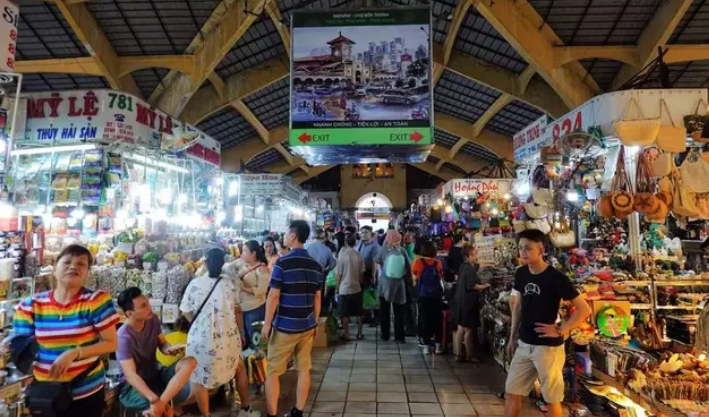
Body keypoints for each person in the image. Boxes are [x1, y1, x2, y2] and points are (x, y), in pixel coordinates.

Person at [14, 245, 119, 417]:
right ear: (55, 269)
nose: (74, 266)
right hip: (47, 393)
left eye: (81, 264)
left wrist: (74, 353)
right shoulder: (30, 305)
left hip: (86, 392)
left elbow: (111, 343)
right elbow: (22, 348)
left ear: (87, 272)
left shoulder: (95, 301)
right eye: (68, 262)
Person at [505, 229, 591, 417]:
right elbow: (518, 307)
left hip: (548, 349)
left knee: (551, 399)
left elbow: (584, 309)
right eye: (520, 248)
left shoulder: (556, 278)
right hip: (524, 344)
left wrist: (562, 329)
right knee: (511, 391)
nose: (523, 253)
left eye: (528, 248)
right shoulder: (521, 273)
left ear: (541, 249)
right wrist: (512, 338)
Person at [180, 248, 258, 417]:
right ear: (223, 263)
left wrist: (199, 322)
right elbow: (237, 310)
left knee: (199, 378)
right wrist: (242, 333)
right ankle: (246, 409)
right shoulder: (230, 284)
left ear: (205, 263)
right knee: (239, 368)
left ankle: (206, 414)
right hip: (228, 335)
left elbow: (185, 311)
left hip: (201, 339)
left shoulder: (195, 284)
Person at [263, 220, 323, 417]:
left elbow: (273, 295)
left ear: (294, 236)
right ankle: (298, 411)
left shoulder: (283, 263)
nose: (284, 236)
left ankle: (272, 414)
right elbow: (317, 297)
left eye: (287, 233)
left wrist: (267, 324)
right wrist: (314, 322)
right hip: (306, 326)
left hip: (285, 328)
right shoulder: (315, 265)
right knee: (303, 369)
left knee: (273, 371)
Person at [116, 287, 196, 417]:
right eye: (143, 306)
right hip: (133, 387)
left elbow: (162, 344)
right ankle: (163, 407)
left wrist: (170, 349)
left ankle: (162, 403)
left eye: (147, 302)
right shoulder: (123, 337)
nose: (149, 307)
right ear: (129, 313)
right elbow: (131, 376)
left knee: (190, 362)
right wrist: (153, 399)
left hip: (155, 374)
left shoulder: (152, 319)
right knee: (163, 412)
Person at [452, 244, 490, 362]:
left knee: (461, 328)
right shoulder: (469, 268)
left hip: (460, 301)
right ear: (467, 257)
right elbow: (472, 285)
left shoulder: (464, 266)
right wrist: (484, 286)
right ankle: (469, 355)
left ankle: (458, 354)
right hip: (467, 303)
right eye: (473, 255)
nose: (476, 257)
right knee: (468, 330)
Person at [375, 230, 412, 343]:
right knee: (399, 311)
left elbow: (377, 261)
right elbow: (409, 267)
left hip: (385, 283)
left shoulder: (383, 249)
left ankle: (385, 335)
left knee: (384, 311)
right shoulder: (403, 250)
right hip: (399, 285)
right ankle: (399, 337)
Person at [413, 240, 445, 354]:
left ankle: (426, 346)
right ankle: (438, 346)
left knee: (425, 320)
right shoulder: (438, 263)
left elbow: (414, 278)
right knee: (437, 320)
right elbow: (441, 278)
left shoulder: (418, 262)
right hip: (436, 296)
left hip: (423, 296)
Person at [238, 240, 271, 348]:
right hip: (243, 309)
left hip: (256, 309)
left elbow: (262, 290)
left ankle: (260, 363)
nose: (242, 253)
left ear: (253, 253)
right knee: (245, 340)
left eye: (245, 251)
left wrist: (243, 288)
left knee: (256, 340)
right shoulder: (244, 266)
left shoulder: (262, 269)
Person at [336, 233, 366, 341]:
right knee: (359, 312)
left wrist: (337, 287)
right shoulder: (359, 255)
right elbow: (362, 273)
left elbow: (339, 274)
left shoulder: (342, 255)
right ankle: (360, 333)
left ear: (345, 242)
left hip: (344, 288)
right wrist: (358, 282)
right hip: (356, 287)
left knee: (344, 313)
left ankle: (346, 334)